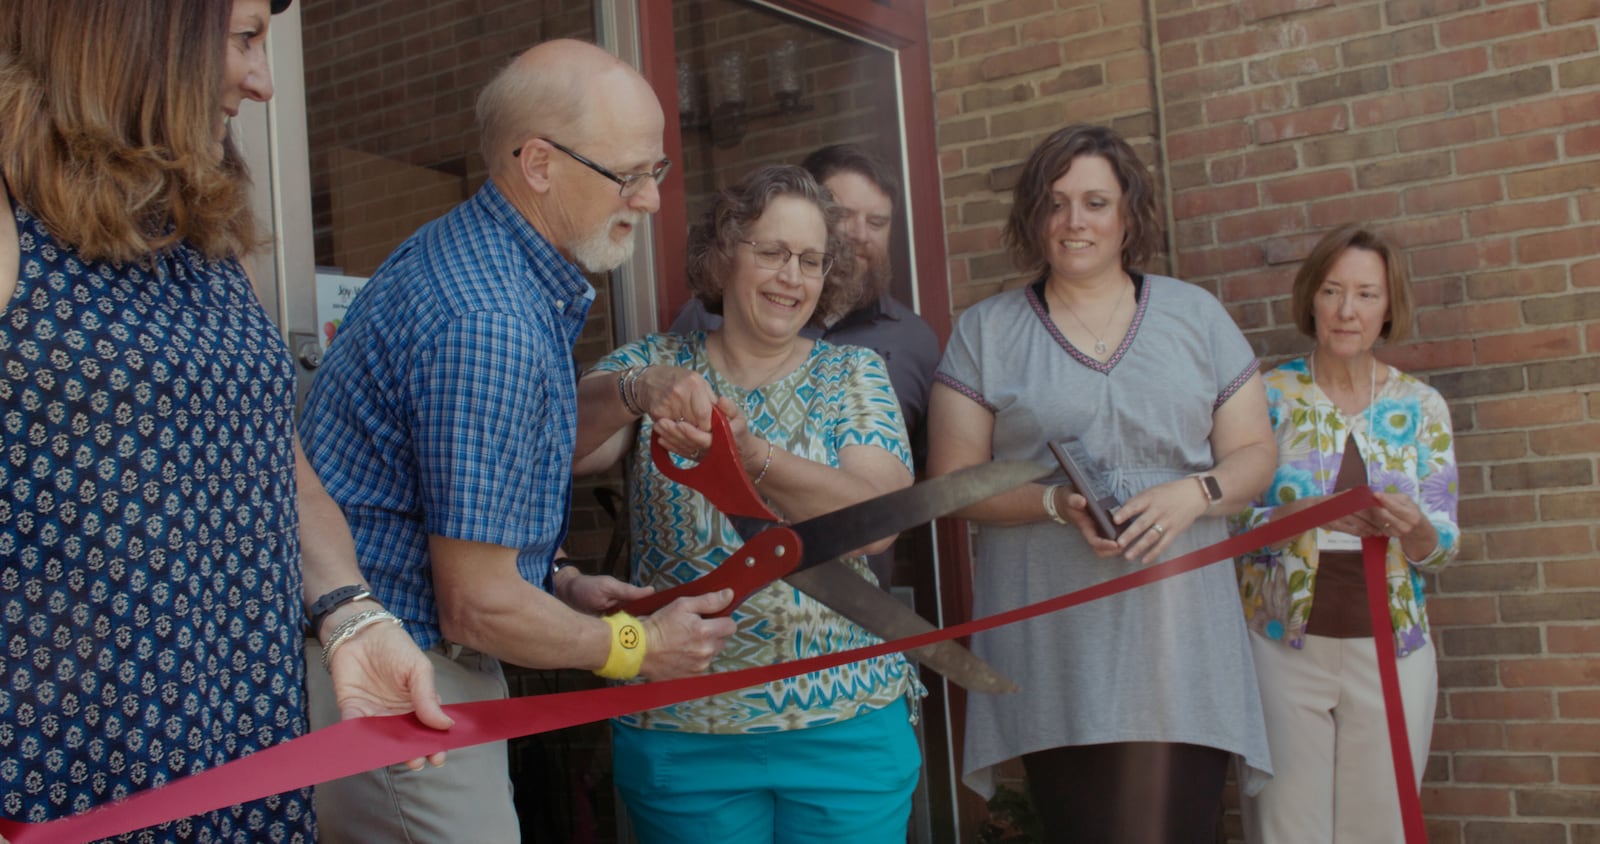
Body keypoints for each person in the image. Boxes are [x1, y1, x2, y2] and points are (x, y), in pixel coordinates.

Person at [0, 0, 450, 839]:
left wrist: (352, 613)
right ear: (131, 28)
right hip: (66, 778)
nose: (265, 82)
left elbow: (262, 451)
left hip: (241, 749)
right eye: (243, 37)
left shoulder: (201, 229)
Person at [296, 40, 736, 843]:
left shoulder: (482, 259)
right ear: (538, 162)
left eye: (658, 172)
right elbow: (476, 604)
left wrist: (561, 579)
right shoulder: (490, 320)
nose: (649, 200)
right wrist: (635, 645)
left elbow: (489, 468)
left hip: (389, 654)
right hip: (402, 676)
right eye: (629, 174)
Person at [925, 123, 1278, 841]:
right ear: (1033, 217)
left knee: (1182, 825)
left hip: (1182, 639)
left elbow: (1256, 453)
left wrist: (1197, 492)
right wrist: (1053, 501)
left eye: (1094, 202)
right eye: (1055, 203)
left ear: (1128, 215)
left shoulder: (1195, 315)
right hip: (1057, 641)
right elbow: (951, 483)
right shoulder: (986, 331)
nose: (1074, 221)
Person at [574, 164, 921, 843]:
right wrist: (637, 390)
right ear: (724, 251)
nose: (793, 277)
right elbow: (560, 451)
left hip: (844, 725)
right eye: (772, 252)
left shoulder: (851, 373)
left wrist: (750, 456)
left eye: (812, 260)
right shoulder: (655, 363)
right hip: (682, 729)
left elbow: (876, 523)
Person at [1232, 224, 1459, 843]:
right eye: (1333, 291)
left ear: (1389, 308)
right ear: (1311, 298)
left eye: (1366, 294)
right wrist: (1310, 512)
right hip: (1282, 645)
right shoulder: (1266, 398)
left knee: (1379, 830)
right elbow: (1232, 524)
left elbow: (1442, 546)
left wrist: (1414, 530)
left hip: (1393, 648)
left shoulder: (1421, 407)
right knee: (1286, 829)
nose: (1347, 310)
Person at [669, 144, 939, 588]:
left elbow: (912, 488)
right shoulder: (701, 323)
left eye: (877, 222)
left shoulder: (914, 341)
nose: (858, 234)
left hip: (849, 606)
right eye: (843, 214)